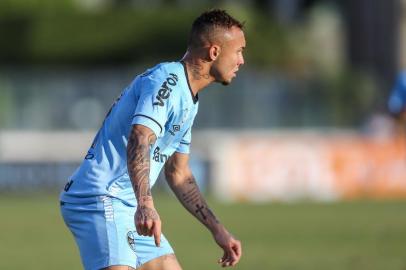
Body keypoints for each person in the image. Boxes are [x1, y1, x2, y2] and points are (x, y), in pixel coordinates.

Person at [60, 9, 245, 270]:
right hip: (102, 197)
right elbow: (140, 137)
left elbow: (179, 174)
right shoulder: (167, 80)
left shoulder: (189, 100)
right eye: (238, 51)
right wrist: (146, 204)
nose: (241, 60)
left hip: (127, 205)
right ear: (214, 52)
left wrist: (218, 230)